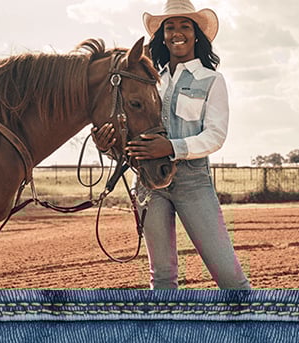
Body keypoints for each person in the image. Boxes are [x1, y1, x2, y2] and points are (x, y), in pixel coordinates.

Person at [92, 0, 250, 289]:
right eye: (170, 26)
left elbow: (215, 136)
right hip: (149, 184)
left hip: (193, 182)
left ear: (196, 34)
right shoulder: (150, 81)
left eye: (185, 26)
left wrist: (171, 148)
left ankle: (253, 331)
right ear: (162, 35)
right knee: (162, 277)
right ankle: (167, 333)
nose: (177, 32)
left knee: (229, 276)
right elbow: (135, 130)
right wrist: (107, 145)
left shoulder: (212, 80)